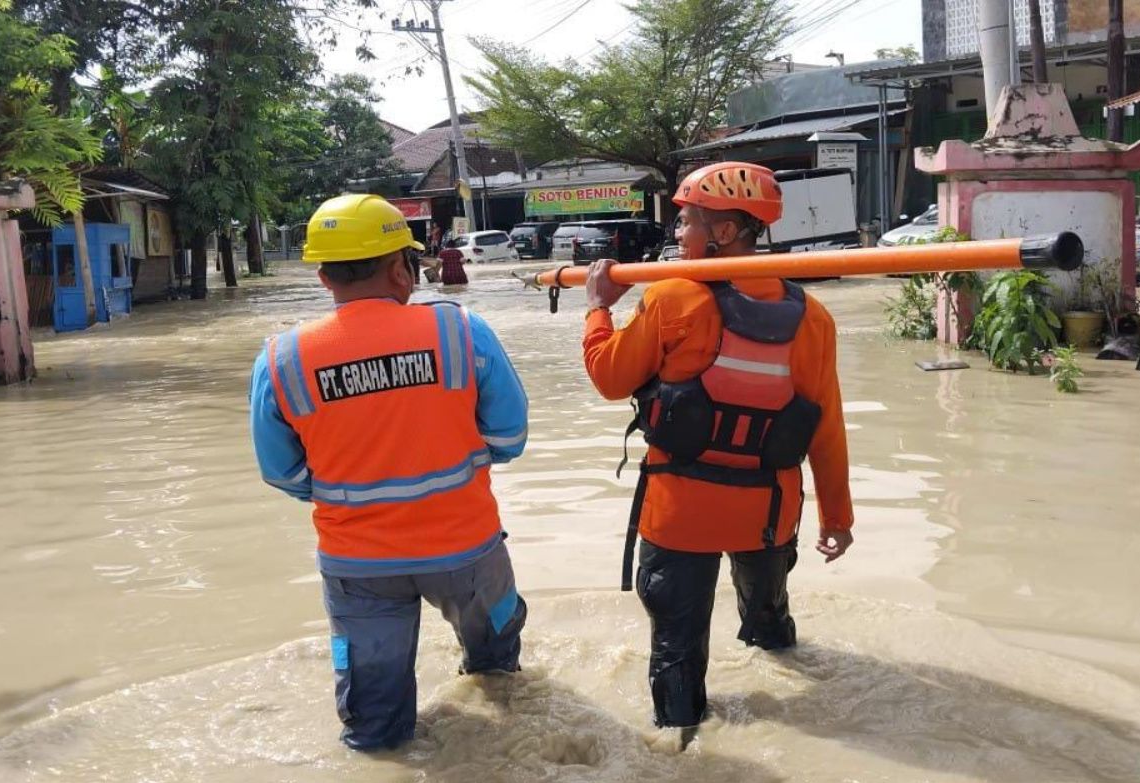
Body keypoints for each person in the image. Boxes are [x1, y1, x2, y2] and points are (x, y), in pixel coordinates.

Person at [249, 194, 529, 751]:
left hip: (358, 564)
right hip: (467, 549)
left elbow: (281, 473)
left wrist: (351, 488)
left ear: (324, 275)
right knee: (497, 673)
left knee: (374, 725)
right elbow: (509, 439)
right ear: (400, 267)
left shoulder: (281, 358)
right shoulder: (461, 331)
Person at [581, 161, 854, 733]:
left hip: (681, 517)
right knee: (771, 630)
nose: (676, 235)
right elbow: (826, 429)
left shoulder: (672, 299)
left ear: (725, 233)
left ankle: (684, 760)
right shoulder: (815, 319)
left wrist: (598, 307)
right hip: (768, 517)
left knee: (677, 654)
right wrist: (837, 516)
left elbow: (609, 378)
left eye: (686, 222)